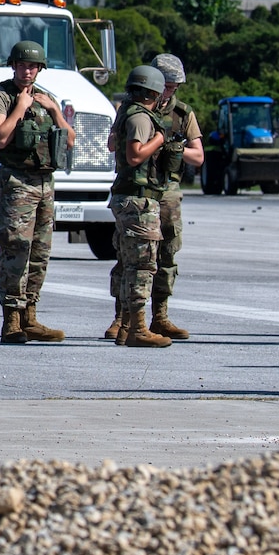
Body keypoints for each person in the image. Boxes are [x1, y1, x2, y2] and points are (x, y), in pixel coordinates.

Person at [103, 53, 203, 341]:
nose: (169, 92)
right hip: (139, 187)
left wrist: (174, 148)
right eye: (166, 85)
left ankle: (159, 315)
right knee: (130, 254)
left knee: (165, 252)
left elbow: (199, 156)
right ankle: (123, 318)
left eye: (173, 87)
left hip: (166, 189)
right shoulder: (133, 111)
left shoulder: (182, 114)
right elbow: (114, 145)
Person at [0, 39, 75, 344]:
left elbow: (70, 140)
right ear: (13, 65)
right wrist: (20, 108)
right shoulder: (0, 95)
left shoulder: (46, 97)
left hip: (45, 183)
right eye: (22, 65)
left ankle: (30, 316)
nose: (27, 71)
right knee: (15, 248)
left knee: (40, 252)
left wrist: (55, 111)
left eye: (33, 66)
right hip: (17, 182)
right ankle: (11, 319)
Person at [107, 65, 178, 349]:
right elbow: (135, 155)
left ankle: (126, 327)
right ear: (154, 92)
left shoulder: (128, 112)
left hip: (129, 197)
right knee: (142, 265)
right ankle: (137, 328)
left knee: (130, 264)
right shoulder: (140, 118)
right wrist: (160, 139)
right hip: (138, 200)